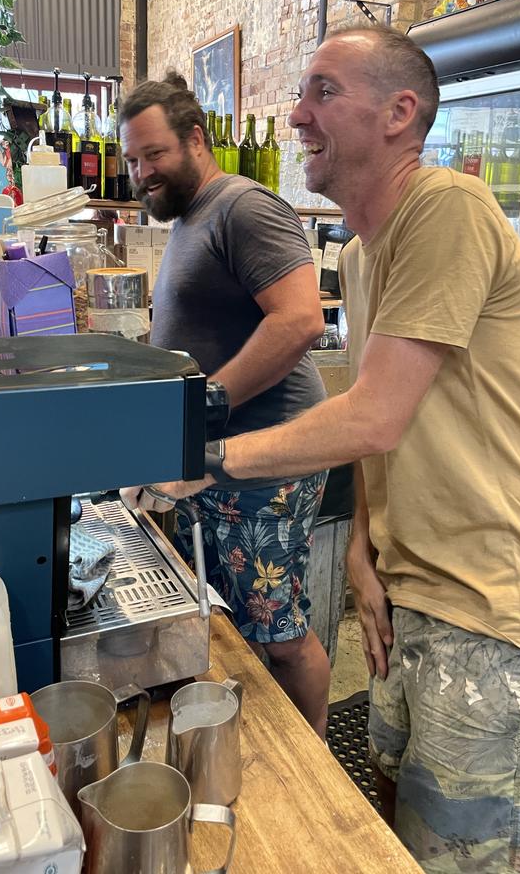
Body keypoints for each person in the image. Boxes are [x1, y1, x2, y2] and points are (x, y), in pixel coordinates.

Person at [122, 28, 520, 874]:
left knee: (454, 851)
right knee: (385, 825)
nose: (297, 114)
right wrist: (366, 559)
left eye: (323, 92)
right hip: (410, 591)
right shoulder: (364, 251)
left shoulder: (448, 206)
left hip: (486, 600)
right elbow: (385, 423)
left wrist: (209, 456)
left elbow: (370, 417)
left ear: (399, 113)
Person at [119, 71, 331, 737]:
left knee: (281, 631)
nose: (141, 172)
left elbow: (299, 321)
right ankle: (265, 744)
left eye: (154, 154)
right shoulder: (190, 219)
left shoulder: (244, 206)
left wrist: (207, 405)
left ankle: (320, 763)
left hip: (267, 463)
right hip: (216, 459)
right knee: (236, 620)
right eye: (131, 160)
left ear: (196, 141)